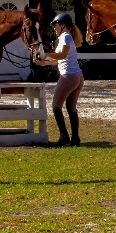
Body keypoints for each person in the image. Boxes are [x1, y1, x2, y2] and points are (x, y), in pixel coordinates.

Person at [35, 13, 84, 147]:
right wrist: (45, 62)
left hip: (69, 76)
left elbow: (62, 55)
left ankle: (64, 136)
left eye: (55, 25)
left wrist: (46, 54)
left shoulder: (65, 37)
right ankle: (75, 138)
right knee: (71, 107)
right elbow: (61, 59)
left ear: (62, 25)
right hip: (77, 76)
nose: (54, 28)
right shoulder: (66, 37)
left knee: (56, 105)